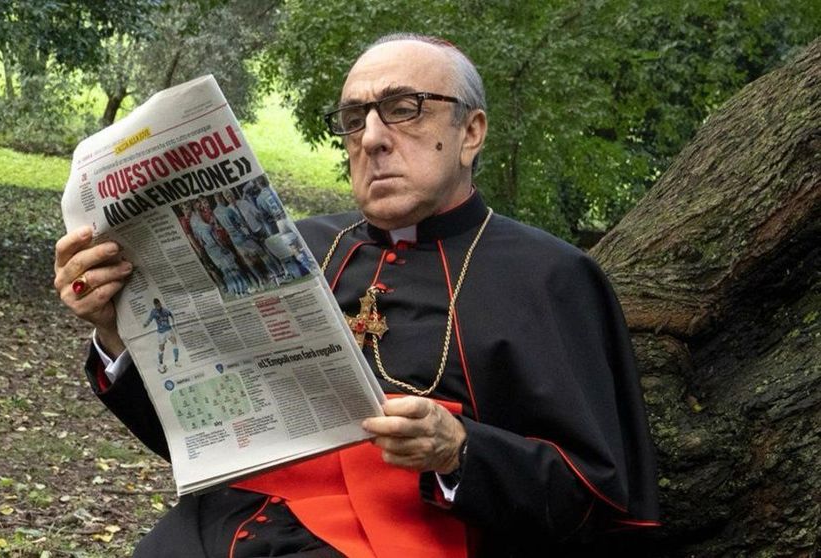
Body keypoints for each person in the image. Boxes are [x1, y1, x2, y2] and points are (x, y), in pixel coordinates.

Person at [53, 33, 659, 557]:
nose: (371, 138)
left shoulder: (550, 276)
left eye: (403, 109)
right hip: (224, 526)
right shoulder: (300, 245)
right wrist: (114, 331)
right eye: (354, 118)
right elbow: (201, 437)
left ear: (470, 132)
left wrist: (461, 451)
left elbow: (595, 497)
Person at [141, 298, 178, 373]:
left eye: (159, 304)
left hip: (168, 330)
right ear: (155, 305)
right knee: (161, 348)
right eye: (157, 305)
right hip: (161, 332)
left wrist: (174, 323)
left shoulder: (165, 310)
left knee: (174, 342)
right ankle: (161, 363)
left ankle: (176, 361)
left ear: (160, 303)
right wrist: (146, 324)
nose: (158, 306)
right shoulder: (153, 312)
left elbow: (171, 315)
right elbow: (150, 319)